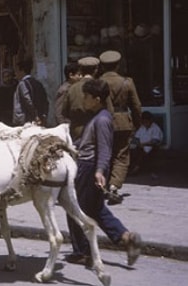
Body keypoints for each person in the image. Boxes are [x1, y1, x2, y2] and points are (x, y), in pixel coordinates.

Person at [64, 78, 142, 267]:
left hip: (89, 169)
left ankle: (82, 251)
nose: (83, 99)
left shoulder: (103, 120)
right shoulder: (97, 117)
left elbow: (105, 149)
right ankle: (126, 237)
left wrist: (99, 172)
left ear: (97, 99)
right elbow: (88, 143)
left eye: (87, 96)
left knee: (74, 209)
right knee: (96, 209)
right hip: (89, 167)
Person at [99, 50, 142, 204]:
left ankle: (101, 184)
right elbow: (136, 105)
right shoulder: (126, 82)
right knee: (121, 156)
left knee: (104, 154)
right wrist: (137, 123)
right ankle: (114, 186)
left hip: (103, 122)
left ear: (102, 66)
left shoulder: (98, 82)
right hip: (123, 122)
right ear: (117, 65)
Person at [62, 56, 100, 142]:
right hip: (96, 129)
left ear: (81, 71)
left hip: (77, 131)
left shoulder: (72, 88)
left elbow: (64, 112)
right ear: (95, 70)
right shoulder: (100, 86)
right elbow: (109, 110)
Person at [12, 59, 48, 126]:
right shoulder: (38, 83)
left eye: (16, 71)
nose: (15, 74)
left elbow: (27, 100)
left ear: (22, 71)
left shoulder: (22, 84)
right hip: (38, 117)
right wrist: (44, 115)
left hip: (25, 119)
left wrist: (35, 115)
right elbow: (45, 100)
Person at [130, 111, 163, 176]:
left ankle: (135, 170)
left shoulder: (155, 128)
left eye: (146, 121)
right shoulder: (142, 127)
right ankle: (133, 168)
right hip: (141, 147)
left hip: (152, 148)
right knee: (133, 151)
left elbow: (155, 141)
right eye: (143, 121)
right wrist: (138, 143)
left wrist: (144, 144)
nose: (145, 123)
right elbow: (136, 138)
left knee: (141, 154)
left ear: (150, 120)